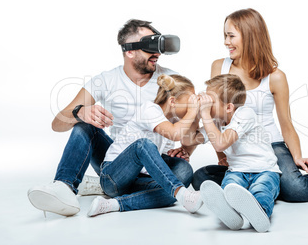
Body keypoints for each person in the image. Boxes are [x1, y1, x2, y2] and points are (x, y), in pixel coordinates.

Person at [192, 8, 308, 202]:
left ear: (249, 36)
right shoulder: (218, 67)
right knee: (201, 179)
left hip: (271, 144)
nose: (226, 42)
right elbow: (215, 116)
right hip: (236, 144)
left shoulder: (275, 77)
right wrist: (221, 154)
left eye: (231, 36)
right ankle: (265, 184)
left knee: (298, 189)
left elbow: (286, 124)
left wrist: (297, 157)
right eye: (225, 35)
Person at [28, 19, 194, 217]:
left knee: (184, 171)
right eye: (151, 45)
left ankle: (115, 197)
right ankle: (63, 188)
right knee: (84, 126)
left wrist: (186, 149)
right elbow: (57, 124)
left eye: (158, 46)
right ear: (129, 50)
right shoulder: (105, 80)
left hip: (156, 164)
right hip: (118, 164)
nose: (157, 53)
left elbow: (193, 122)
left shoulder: (170, 80)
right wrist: (80, 112)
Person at [87, 74, 203, 217]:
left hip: (138, 180)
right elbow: (175, 134)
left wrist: (196, 115)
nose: (191, 107)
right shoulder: (150, 109)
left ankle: (114, 204)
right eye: (189, 103)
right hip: (113, 177)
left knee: (184, 170)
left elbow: (163, 157)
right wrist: (192, 111)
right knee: (143, 144)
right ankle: (180, 192)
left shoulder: (172, 122)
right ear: (172, 101)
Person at [184, 74, 280, 232]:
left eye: (211, 101)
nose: (207, 104)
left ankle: (261, 213)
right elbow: (189, 140)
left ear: (229, 107)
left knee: (262, 190)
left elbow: (221, 144)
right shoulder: (215, 122)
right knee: (229, 187)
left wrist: (206, 115)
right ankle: (232, 215)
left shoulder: (245, 113)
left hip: (264, 170)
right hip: (237, 170)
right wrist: (195, 115)